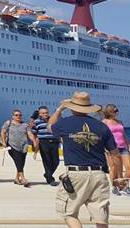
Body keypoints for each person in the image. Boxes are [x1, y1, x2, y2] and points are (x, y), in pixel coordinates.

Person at [49, 91, 118, 228]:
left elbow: (50, 127)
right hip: (99, 174)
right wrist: (116, 177)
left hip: (76, 174)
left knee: (69, 213)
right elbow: (114, 153)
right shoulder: (102, 126)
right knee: (101, 217)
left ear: (72, 107)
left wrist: (59, 109)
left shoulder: (65, 123)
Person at [102, 104, 130, 196]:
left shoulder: (120, 122)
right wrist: (105, 147)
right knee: (114, 169)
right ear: (110, 111)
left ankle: (123, 186)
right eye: (115, 110)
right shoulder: (104, 122)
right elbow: (103, 136)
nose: (117, 112)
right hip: (112, 148)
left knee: (128, 168)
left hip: (123, 148)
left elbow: (124, 135)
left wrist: (128, 144)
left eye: (117, 110)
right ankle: (115, 187)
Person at [31, 105, 61, 186]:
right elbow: (33, 133)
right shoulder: (36, 122)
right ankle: (50, 179)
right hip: (43, 142)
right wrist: (34, 143)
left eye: (46, 112)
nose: (45, 114)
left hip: (54, 141)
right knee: (46, 161)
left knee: (56, 161)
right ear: (40, 114)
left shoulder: (53, 120)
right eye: (43, 113)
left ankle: (47, 174)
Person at [2, 109, 31, 187]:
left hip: (23, 147)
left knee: (21, 163)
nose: (18, 116)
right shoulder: (9, 123)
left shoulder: (25, 125)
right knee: (18, 161)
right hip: (12, 146)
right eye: (16, 115)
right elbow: (3, 132)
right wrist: (4, 142)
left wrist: (34, 142)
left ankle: (16, 179)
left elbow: (29, 133)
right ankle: (23, 179)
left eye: (20, 115)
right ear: (13, 116)